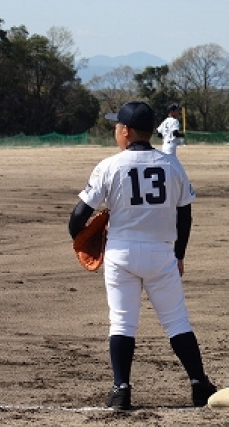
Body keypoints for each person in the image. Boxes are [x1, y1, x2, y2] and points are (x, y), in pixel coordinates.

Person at [68, 101, 216, 410]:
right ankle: (199, 384)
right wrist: (179, 254)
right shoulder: (172, 165)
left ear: (125, 131)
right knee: (176, 321)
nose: (115, 130)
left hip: (120, 254)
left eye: (116, 126)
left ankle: (121, 389)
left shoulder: (109, 166)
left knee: (122, 322)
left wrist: (82, 237)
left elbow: (77, 217)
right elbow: (185, 216)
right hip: (161, 253)